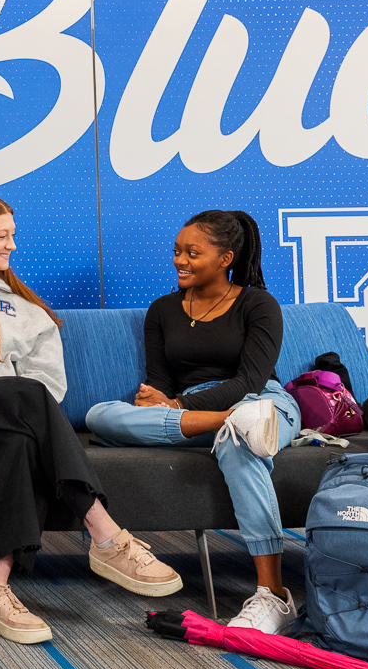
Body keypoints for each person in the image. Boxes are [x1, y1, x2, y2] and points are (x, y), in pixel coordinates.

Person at [0, 192, 182, 644]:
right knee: (21, 394)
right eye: (2, 236)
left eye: (13, 235)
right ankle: (102, 529)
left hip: (10, 418)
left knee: (19, 442)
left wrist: (4, 391)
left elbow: (49, 386)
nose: (12, 246)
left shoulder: (25, 308)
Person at [85, 210, 300, 633]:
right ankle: (231, 422)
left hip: (261, 401)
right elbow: (161, 379)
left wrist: (178, 403)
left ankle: (274, 595)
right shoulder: (163, 309)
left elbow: (250, 380)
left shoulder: (258, 304)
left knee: (241, 445)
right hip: (201, 417)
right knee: (99, 416)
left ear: (225, 258)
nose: (180, 260)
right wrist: (160, 398)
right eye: (177, 251)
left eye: (193, 252)